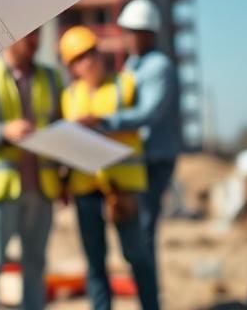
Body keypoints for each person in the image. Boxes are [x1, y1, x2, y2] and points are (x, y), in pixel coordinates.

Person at [0, 28, 62, 310]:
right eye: (28, 35)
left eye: (38, 35)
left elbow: (61, 125)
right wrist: (3, 131)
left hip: (40, 187)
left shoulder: (52, 78)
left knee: (35, 264)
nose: (35, 42)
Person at [59, 26, 159, 310]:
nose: (89, 61)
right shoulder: (69, 97)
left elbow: (142, 118)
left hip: (123, 187)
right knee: (94, 261)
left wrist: (101, 121)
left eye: (92, 53)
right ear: (72, 67)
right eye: (80, 58)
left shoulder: (125, 85)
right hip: (85, 188)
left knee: (136, 256)